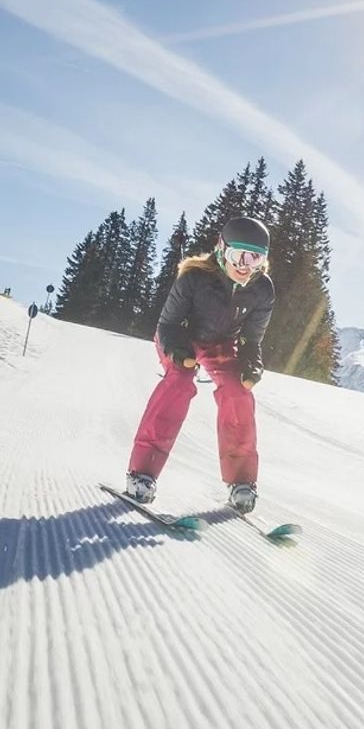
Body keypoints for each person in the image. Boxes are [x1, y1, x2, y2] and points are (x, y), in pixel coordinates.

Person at [123, 215, 274, 513]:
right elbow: (166, 325)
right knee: (179, 382)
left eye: (255, 259)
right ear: (221, 249)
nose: (245, 266)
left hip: (221, 344)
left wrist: (251, 365)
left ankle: (241, 482)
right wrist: (178, 353)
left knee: (238, 393)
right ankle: (142, 473)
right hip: (181, 337)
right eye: (239, 256)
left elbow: (251, 340)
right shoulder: (194, 277)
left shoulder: (262, 289)